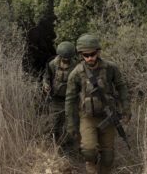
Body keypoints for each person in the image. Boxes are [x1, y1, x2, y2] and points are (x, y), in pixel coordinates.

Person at [65, 33, 131, 174]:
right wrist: (71, 124)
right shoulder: (76, 73)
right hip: (87, 117)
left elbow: (121, 86)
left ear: (98, 51)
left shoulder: (110, 68)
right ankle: (91, 166)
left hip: (108, 115)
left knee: (108, 157)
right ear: (81, 55)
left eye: (93, 54)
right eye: (85, 55)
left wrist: (126, 109)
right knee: (89, 152)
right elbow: (70, 99)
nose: (90, 58)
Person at [43, 41, 77, 147]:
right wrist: (45, 85)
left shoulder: (76, 66)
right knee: (53, 126)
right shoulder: (52, 64)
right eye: (64, 57)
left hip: (71, 100)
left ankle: (69, 150)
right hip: (56, 100)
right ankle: (52, 147)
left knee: (70, 128)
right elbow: (46, 77)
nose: (66, 59)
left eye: (68, 57)